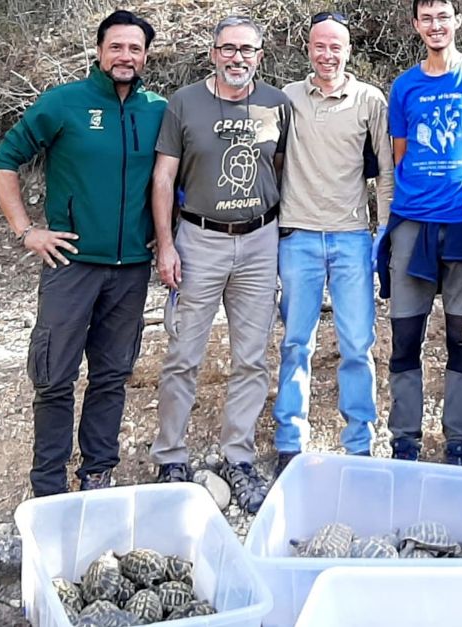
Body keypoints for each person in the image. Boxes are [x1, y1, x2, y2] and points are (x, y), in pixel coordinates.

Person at [0, 10, 166, 497]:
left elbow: (172, 175)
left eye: (134, 48)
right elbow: (4, 161)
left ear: (145, 56)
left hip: (131, 269)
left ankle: (97, 473)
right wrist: (26, 230)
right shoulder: (64, 103)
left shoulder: (158, 109)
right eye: (116, 47)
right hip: (70, 264)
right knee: (54, 376)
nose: (125, 56)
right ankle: (48, 484)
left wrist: (164, 232)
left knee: (112, 374)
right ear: (100, 51)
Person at [148, 16, 292, 514]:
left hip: (259, 241)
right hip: (199, 240)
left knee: (252, 358)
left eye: (247, 49)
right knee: (183, 355)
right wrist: (166, 245)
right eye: (228, 48)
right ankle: (170, 457)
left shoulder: (276, 103)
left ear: (260, 55)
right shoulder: (184, 103)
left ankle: (239, 458)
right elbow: (163, 178)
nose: (237, 58)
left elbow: (279, 168)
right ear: (213, 53)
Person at [271, 11, 394, 476]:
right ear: (308, 49)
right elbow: (271, 161)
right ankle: (289, 442)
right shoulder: (286, 98)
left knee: (357, 344)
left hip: (351, 238)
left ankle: (359, 442)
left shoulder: (369, 100)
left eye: (335, 47)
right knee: (295, 342)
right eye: (319, 46)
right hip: (297, 236)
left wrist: (384, 231)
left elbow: (385, 170)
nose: (327, 55)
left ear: (348, 51)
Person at [375, 0, 462, 465]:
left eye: (443, 16)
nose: (435, 25)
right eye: (426, 18)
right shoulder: (405, 86)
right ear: (415, 25)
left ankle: (459, 442)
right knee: (406, 337)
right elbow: (400, 154)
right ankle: (404, 441)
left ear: (457, 21)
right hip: (412, 225)